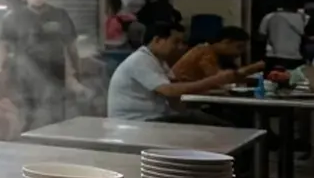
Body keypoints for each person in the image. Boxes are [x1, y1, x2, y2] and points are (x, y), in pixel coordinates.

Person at [106, 22, 251, 123]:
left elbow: (177, 88)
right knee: (219, 127)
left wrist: (214, 92)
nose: (181, 47)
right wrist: (215, 81)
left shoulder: (159, 61)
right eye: (176, 42)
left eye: (182, 43)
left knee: (220, 121)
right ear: (157, 40)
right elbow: (170, 91)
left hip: (159, 116)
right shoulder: (139, 60)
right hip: (141, 121)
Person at [0, 0, 86, 129]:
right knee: (27, 114)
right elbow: (4, 46)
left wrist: (77, 70)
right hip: (24, 75)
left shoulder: (60, 15)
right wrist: (0, 70)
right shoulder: (13, 18)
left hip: (55, 72)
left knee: (56, 116)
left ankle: (54, 144)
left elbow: (71, 46)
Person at [172, 25, 265, 84]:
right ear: (226, 42)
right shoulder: (204, 52)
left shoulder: (215, 55)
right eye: (239, 47)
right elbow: (218, 78)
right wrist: (251, 68)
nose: (239, 53)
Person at [258, 0, 307, 70]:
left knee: (272, 79)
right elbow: (306, 36)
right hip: (295, 56)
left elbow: (261, 36)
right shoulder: (302, 18)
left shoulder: (270, 16)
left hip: (273, 56)